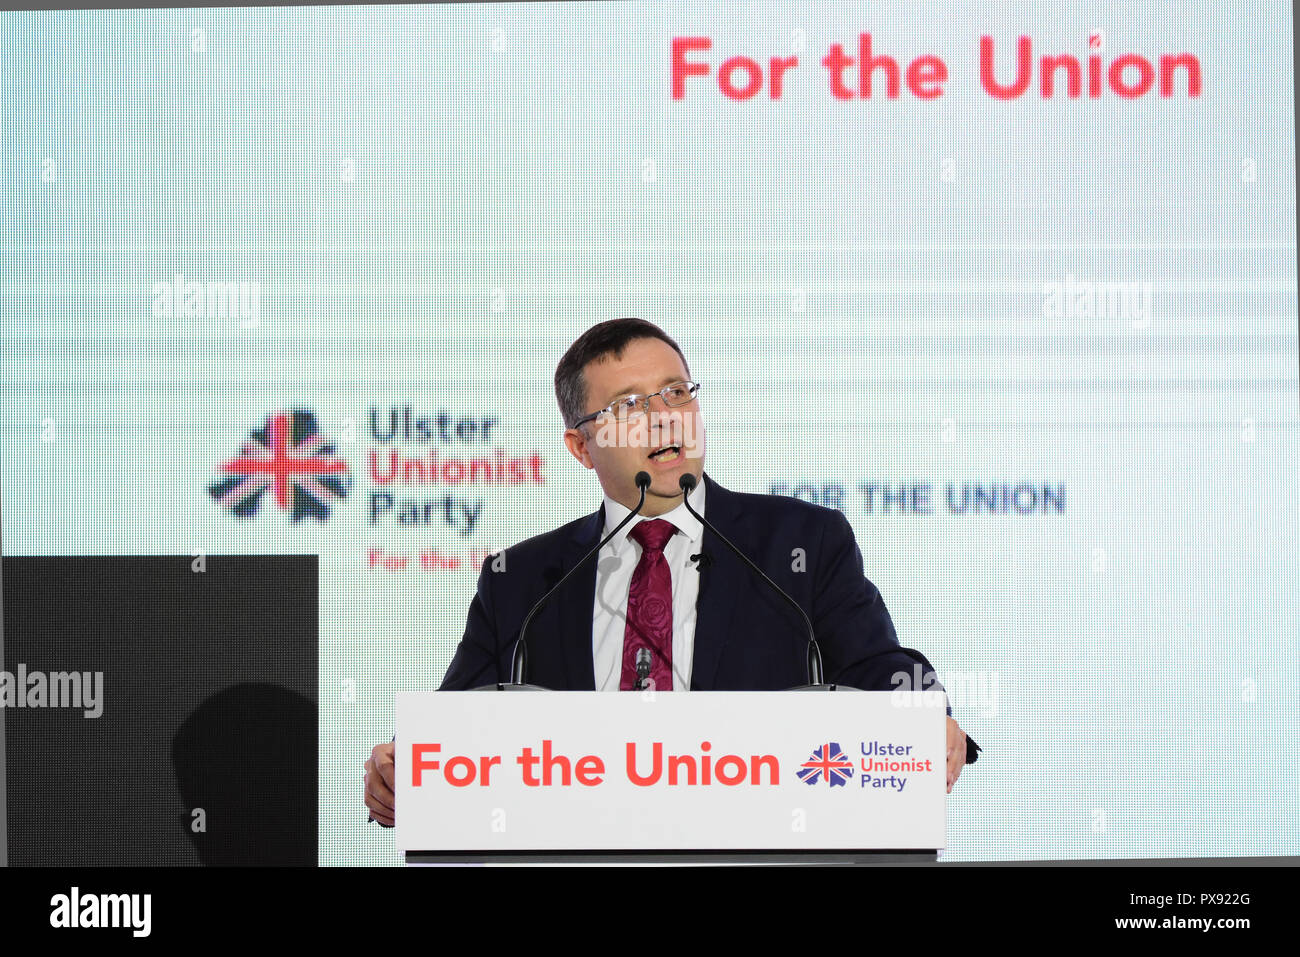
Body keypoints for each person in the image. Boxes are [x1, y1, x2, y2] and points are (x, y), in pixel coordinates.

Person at [365, 318, 979, 827]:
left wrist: (929, 715)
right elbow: (456, 728)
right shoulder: (524, 578)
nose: (664, 417)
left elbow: (874, 667)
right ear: (581, 447)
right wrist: (404, 775)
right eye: (629, 405)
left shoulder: (800, 543)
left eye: (677, 392)